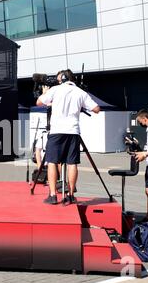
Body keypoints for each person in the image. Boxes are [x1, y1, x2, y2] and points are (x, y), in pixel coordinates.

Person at [36, 69, 100, 205]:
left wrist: (46, 93)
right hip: (73, 131)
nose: (57, 81)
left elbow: (39, 102)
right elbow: (96, 109)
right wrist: (80, 106)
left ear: (63, 79)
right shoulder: (81, 92)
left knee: (52, 161)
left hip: (57, 130)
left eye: (59, 79)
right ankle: (70, 195)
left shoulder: (55, 89)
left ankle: (53, 195)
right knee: (72, 163)